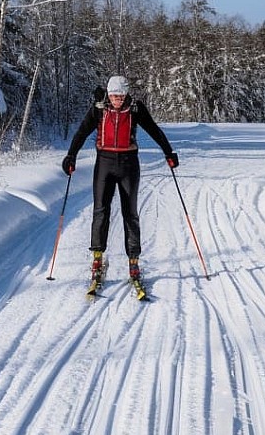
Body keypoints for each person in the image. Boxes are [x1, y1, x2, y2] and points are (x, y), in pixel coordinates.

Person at [61, 74, 179, 284]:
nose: (118, 100)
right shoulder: (99, 109)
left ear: (126, 95)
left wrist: (169, 153)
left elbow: (154, 130)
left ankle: (133, 261)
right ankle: (97, 258)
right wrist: (71, 156)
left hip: (128, 165)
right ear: (108, 94)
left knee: (130, 213)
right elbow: (81, 132)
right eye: (114, 96)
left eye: (121, 96)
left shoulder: (135, 109)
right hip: (104, 164)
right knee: (100, 210)